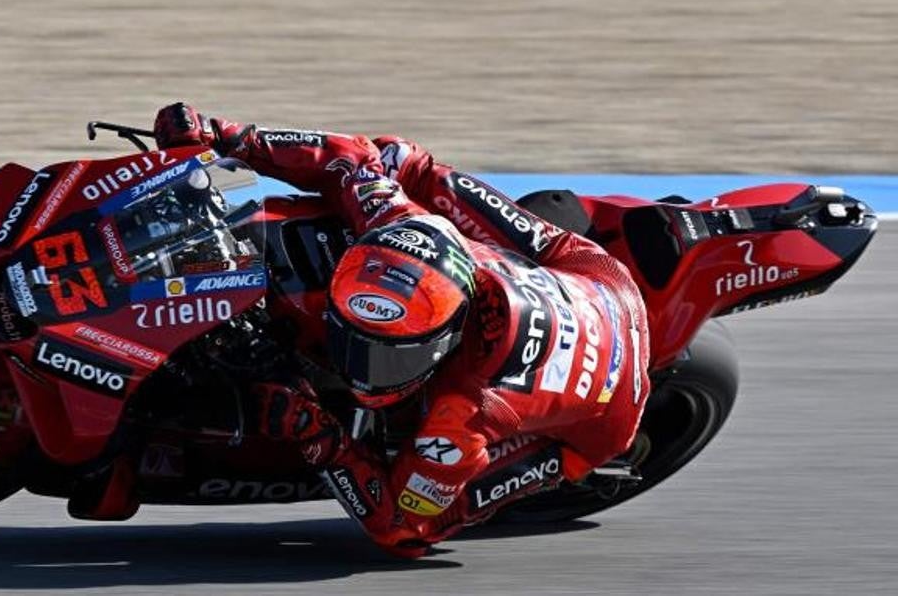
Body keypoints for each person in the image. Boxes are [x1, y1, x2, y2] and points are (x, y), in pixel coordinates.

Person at [151, 102, 652, 558]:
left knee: (435, 517)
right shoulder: (396, 220)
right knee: (402, 163)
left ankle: (549, 470)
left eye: (386, 357)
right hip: (587, 273)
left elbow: (401, 527)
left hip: (606, 404)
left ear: (444, 342)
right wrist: (225, 136)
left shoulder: (464, 413)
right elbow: (352, 157)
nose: (358, 369)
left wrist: (321, 436)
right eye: (349, 337)